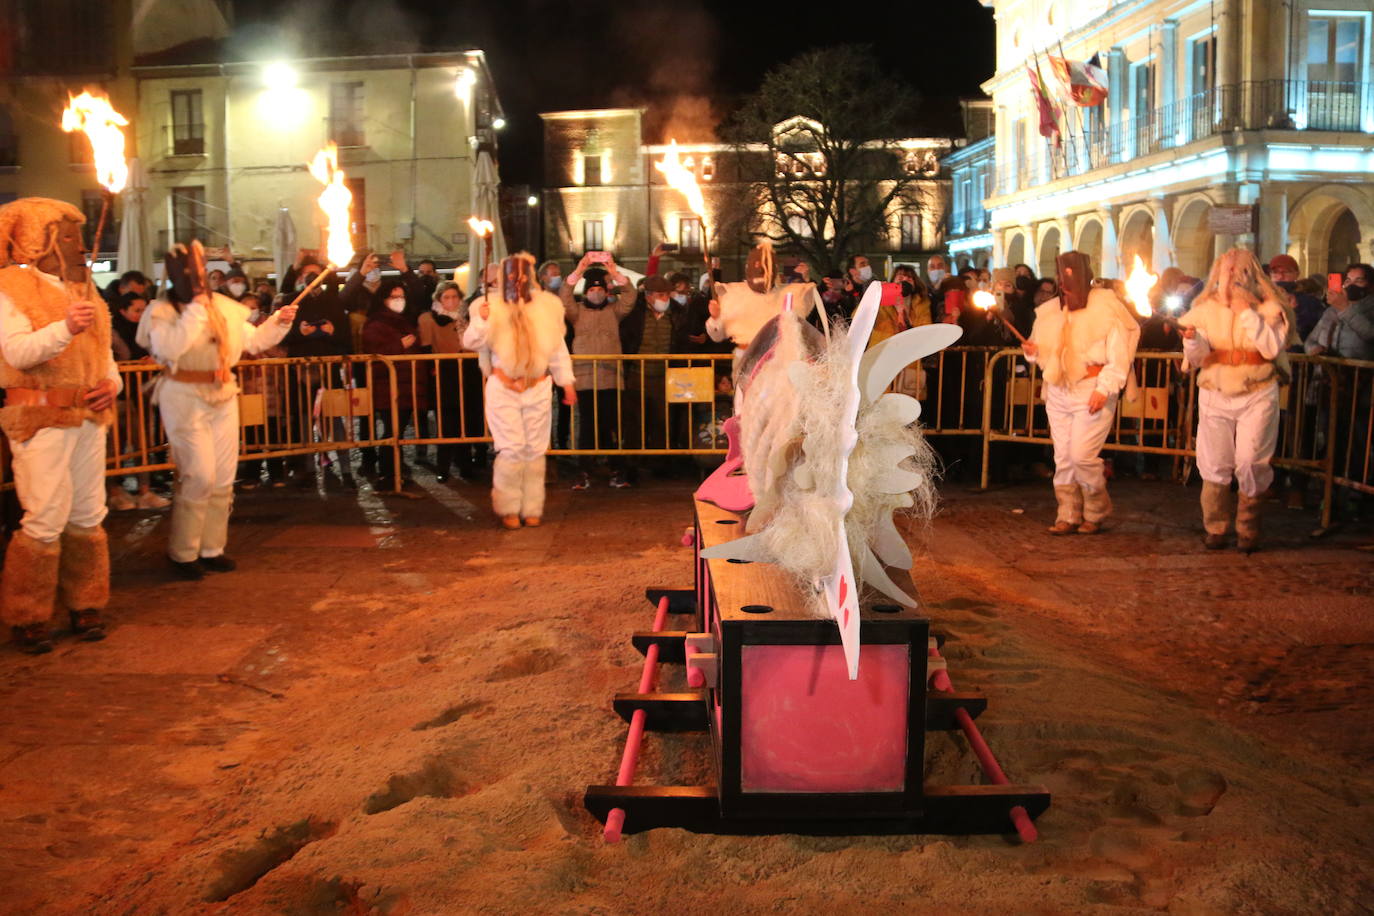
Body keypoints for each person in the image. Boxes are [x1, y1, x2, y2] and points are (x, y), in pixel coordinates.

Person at [0, 198, 121, 653]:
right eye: (65, 235)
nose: (77, 245)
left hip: (88, 417)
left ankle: (86, 602)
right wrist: (65, 328)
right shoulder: (10, 286)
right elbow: (18, 354)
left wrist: (112, 386)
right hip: (41, 418)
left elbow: (105, 358)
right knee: (45, 516)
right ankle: (27, 615)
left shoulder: (86, 288)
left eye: (75, 235)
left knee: (88, 514)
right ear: (36, 239)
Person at [140, 242, 297, 579]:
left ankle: (212, 548)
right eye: (188, 271)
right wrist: (195, 311)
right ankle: (183, 552)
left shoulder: (225, 306)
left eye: (199, 269)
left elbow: (253, 341)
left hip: (223, 393)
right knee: (199, 474)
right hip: (183, 395)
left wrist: (279, 323)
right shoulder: (162, 310)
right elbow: (169, 349)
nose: (195, 277)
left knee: (224, 476)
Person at [1177, 249, 1292, 552]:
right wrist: (1192, 341)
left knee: (1251, 460)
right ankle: (1215, 527)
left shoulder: (1270, 308)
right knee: (1214, 461)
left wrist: (1246, 312)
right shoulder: (1204, 309)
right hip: (1214, 390)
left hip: (1257, 389)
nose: (1232, 278)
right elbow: (1199, 358)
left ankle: (1248, 528)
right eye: (1227, 272)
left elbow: (1270, 348)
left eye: (1239, 272)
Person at [1021, 251, 1140, 534]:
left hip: (1092, 388)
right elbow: (1042, 352)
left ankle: (1096, 509)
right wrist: (1033, 353)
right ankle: (1068, 513)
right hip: (1059, 390)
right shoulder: (1050, 313)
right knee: (1063, 456)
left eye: (1072, 274)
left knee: (1082, 455)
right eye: (1062, 275)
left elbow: (1119, 356)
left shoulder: (1107, 308)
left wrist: (1105, 388)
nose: (1065, 282)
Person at [462, 253, 576, 529]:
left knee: (534, 450)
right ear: (503, 278)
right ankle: (508, 507)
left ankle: (532, 506)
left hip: (537, 386)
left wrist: (567, 383)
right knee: (512, 449)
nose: (518, 280)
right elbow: (471, 342)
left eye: (524, 275)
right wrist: (482, 321)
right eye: (512, 275)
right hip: (503, 387)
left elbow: (557, 349)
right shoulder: (486, 305)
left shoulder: (547, 307)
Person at [561, 253, 634, 489]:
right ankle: (583, 470)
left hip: (611, 378)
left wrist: (615, 274)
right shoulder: (577, 312)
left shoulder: (614, 311)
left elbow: (631, 297)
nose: (595, 292)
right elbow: (564, 297)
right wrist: (579, 269)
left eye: (600, 288)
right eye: (591, 289)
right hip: (584, 379)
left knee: (611, 425)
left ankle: (616, 469)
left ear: (606, 290)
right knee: (587, 428)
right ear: (586, 291)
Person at [362, 279, 430, 485]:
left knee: (397, 431)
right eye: (394, 297)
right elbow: (374, 353)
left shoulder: (405, 320)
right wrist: (398, 345)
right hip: (389, 386)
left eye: (401, 297)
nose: (399, 300)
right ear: (384, 299)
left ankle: (395, 470)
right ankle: (389, 472)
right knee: (392, 430)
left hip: (408, 384)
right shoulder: (376, 323)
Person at [417, 280, 484, 482]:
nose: (451, 301)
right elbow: (426, 349)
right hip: (445, 373)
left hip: (469, 372)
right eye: (446, 297)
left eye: (455, 296)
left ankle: (465, 465)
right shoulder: (429, 319)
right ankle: (443, 466)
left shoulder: (468, 317)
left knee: (467, 420)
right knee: (447, 422)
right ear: (439, 299)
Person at [1305, 263, 1374, 361]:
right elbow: (1310, 340)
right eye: (1348, 281)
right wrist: (1314, 349)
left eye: (1358, 281)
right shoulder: (1331, 310)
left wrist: (1345, 308)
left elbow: (1371, 335)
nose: (1351, 285)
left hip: (1358, 373)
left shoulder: (1371, 308)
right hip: (1325, 372)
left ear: (1370, 285)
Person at [1268, 255, 1324, 344]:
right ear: (1270, 275)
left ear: (1297, 274)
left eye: (1286, 272)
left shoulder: (1309, 302)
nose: (1280, 276)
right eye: (1275, 272)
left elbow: (1314, 328)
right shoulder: (1261, 298)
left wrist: (1295, 310)